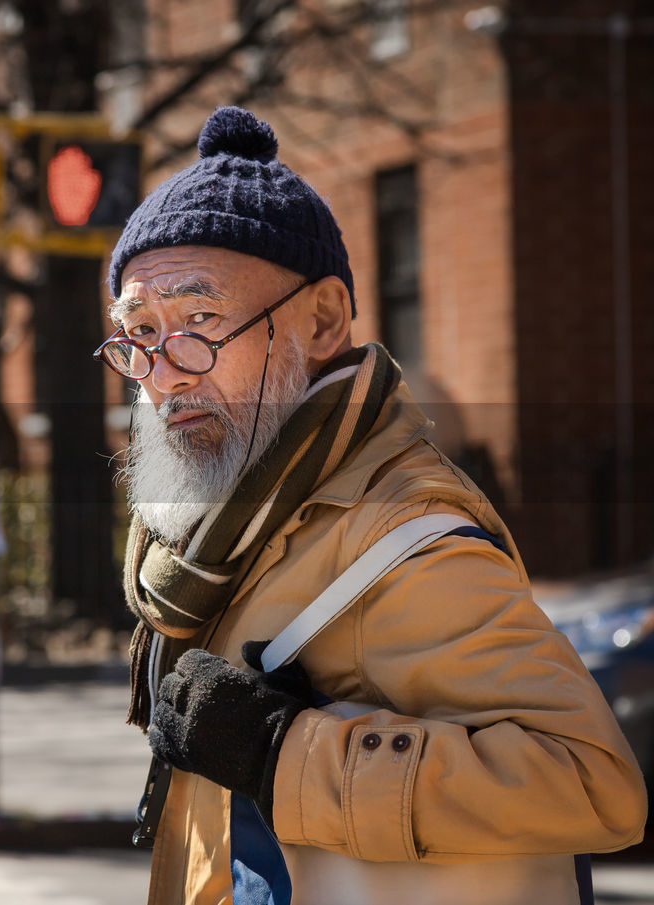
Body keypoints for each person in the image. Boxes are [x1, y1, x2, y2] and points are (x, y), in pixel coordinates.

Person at [101, 107, 645, 905]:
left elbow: (593, 782)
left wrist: (283, 752)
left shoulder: (397, 531)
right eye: (138, 333)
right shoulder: (221, 529)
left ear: (321, 319)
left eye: (199, 321)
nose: (163, 373)